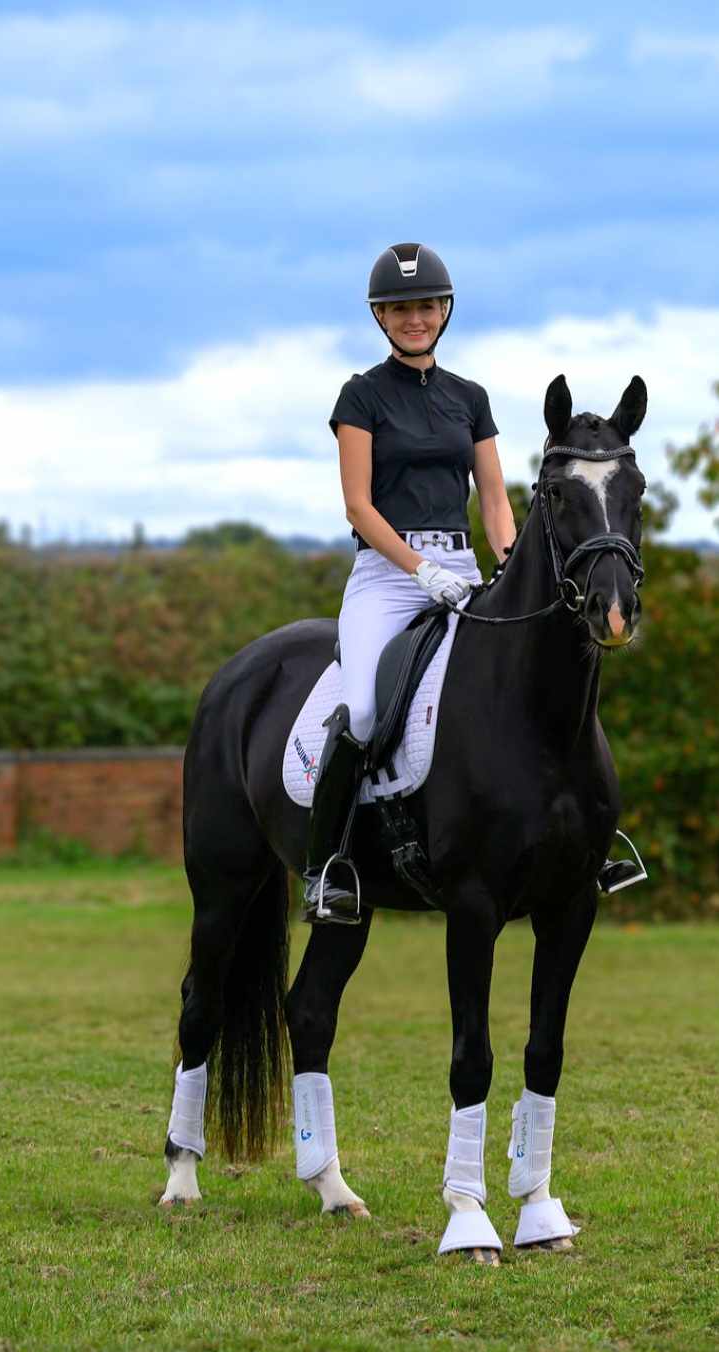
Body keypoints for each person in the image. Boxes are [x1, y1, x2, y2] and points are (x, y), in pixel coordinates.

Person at [302, 242, 517, 923]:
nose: (415, 318)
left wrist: (505, 563)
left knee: (533, 679)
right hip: (387, 577)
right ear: (381, 317)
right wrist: (420, 569)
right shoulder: (360, 396)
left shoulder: (470, 399)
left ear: (444, 311)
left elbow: (493, 498)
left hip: (462, 569)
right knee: (363, 711)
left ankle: (577, 840)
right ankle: (327, 867)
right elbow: (358, 505)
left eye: (425, 306)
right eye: (400, 309)